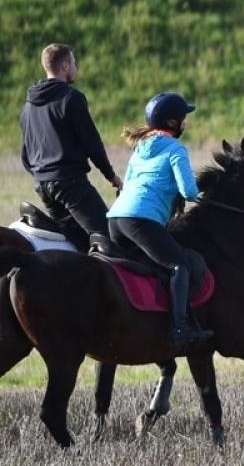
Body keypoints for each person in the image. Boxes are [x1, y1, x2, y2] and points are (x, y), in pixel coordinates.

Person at [106, 92, 211, 348]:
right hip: (141, 222)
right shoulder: (176, 149)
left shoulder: (140, 147)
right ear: (173, 123)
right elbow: (188, 191)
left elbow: (128, 183)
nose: (186, 123)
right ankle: (180, 328)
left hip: (115, 220)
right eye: (183, 118)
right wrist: (200, 196)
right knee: (178, 267)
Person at [19, 43, 123, 252]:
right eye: (74, 62)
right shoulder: (71, 98)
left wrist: (43, 175)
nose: (75, 67)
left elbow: (25, 155)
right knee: (109, 238)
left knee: (77, 242)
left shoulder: (27, 107)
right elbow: (91, 143)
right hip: (71, 185)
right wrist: (111, 176)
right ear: (65, 66)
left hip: (43, 186)